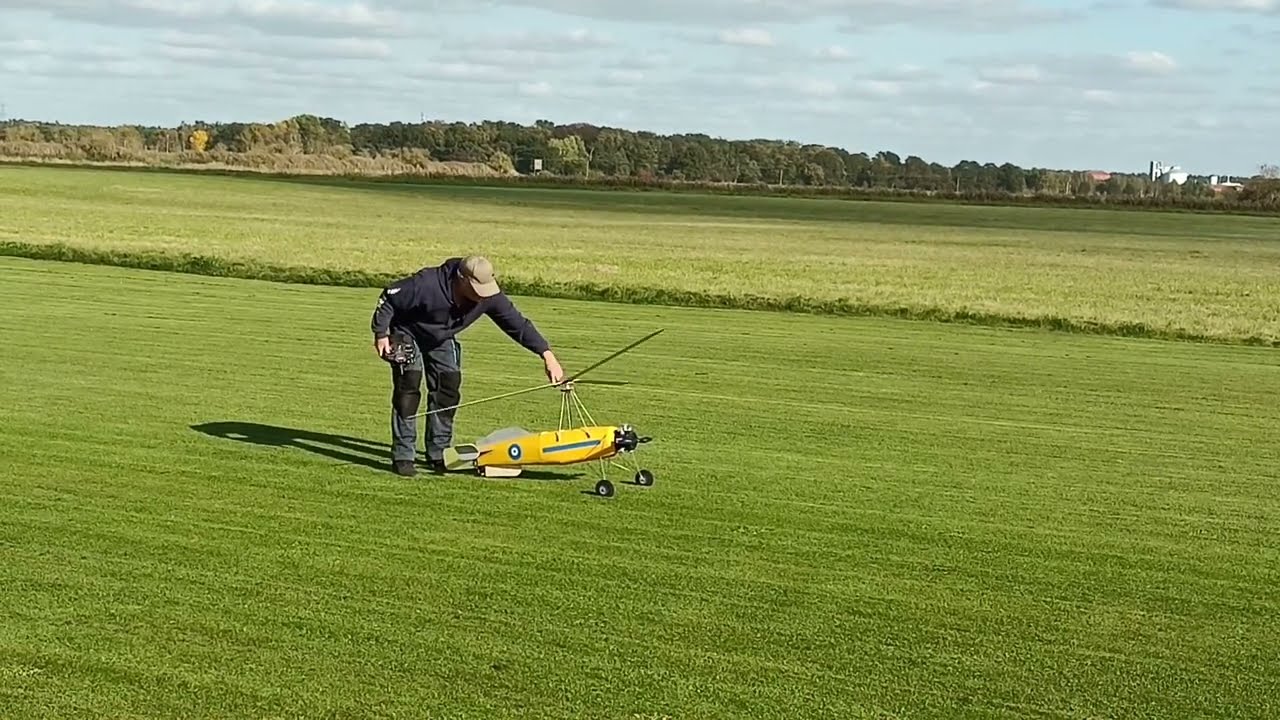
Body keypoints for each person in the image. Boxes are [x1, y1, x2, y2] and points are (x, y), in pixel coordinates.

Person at [370, 255, 564, 477]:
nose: (482, 295)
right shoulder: (426, 283)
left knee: (448, 388)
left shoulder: (489, 296)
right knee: (409, 387)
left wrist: (547, 355)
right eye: (476, 288)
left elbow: (517, 324)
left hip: (441, 337)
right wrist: (381, 334)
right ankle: (403, 455)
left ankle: (438, 453)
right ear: (461, 279)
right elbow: (389, 298)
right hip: (406, 331)